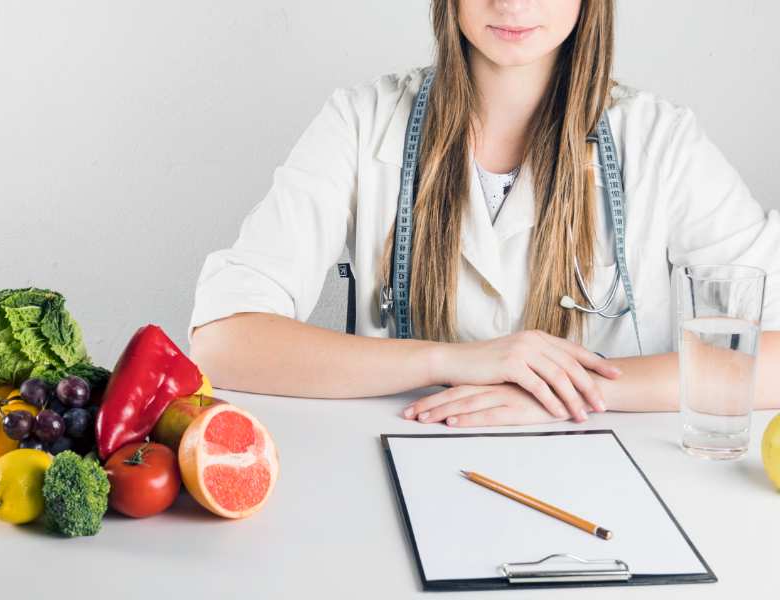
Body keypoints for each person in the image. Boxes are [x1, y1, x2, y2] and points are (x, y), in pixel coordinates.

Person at [188, 0, 780, 426]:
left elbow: (773, 355)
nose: (512, 2)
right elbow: (223, 341)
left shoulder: (662, 141)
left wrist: (559, 393)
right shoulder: (359, 121)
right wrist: (456, 360)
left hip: (610, 466)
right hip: (408, 455)